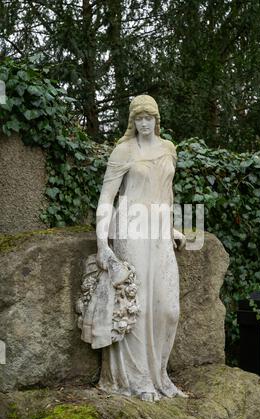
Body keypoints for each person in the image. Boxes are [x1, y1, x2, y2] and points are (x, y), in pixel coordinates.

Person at [95, 95, 186, 402]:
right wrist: (101, 244)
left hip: (158, 230)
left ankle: (160, 375)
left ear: (157, 119)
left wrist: (171, 225)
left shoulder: (168, 149)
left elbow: (167, 192)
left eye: (149, 117)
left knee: (169, 308)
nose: (144, 123)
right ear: (131, 121)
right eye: (139, 118)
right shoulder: (123, 151)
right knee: (138, 305)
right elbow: (107, 198)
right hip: (130, 228)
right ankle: (139, 380)